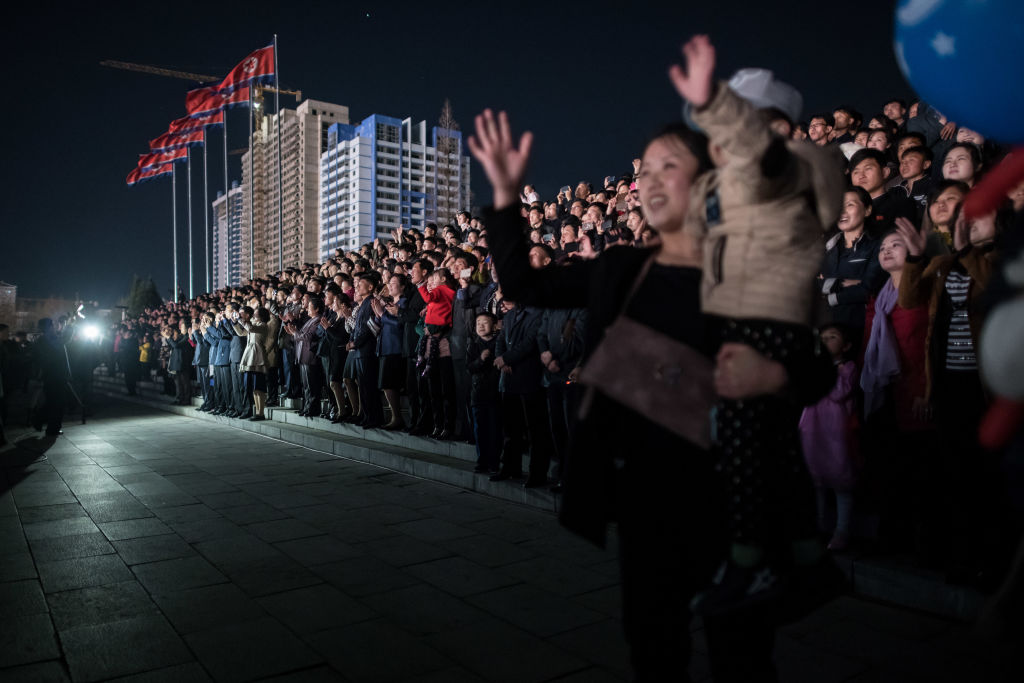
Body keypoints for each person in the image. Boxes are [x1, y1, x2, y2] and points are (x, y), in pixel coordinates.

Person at [468, 35, 834, 681]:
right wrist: (505, 197)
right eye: (643, 169)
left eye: (669, 166)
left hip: (729, 496)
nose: (648, 179)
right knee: (652, 643)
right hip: (644, 498)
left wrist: (773, 373)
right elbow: (524, 285)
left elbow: (813, 368)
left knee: (740, 653)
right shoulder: (620, 268)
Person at [895, 209, 1000, 583]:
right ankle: (960, 557)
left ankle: (990, 561)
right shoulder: (943, 263)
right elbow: (909, 298)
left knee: (987, 475)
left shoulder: (1000, 260)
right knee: (953, 471)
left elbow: (989, 283)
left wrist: (962, 250)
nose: (970, 226)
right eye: (966, 221)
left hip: (987, 387)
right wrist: (914, 257)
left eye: (979, 220)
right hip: (948, 383)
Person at [799, 324, 860, 552]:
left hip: (836, 435)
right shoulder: (813, 366)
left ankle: (842, 532)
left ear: (846, 346)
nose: (826, 341)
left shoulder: (848, 368)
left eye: (832, 337)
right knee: (816, 484)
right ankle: (817, 531)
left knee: (841, 483)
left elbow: (838, 393)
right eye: (822, 337)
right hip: (813, 433)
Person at [820, 187, 887, 334]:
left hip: (861, 330)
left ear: (867, 210)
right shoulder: (827, 248)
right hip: (827, 332)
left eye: (850, 205)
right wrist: (845, 283)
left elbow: (868, 290)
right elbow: (812, 286)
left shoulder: (878, 246)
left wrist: (828, 294)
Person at [467, 311, 502, 473]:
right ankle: (482, 461)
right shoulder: (473, 344)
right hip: (478, 392)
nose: (481, 326)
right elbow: (469, 368)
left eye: (485, 322)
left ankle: (495, 462)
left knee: (495, 428)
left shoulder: (499, 342)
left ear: (495, 325)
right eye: (478, 323)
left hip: (496, 392)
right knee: (479, 428)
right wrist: (480, 359)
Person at [233, 307, 270, 421]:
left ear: (261, 315)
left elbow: (250, 328)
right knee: (254, 387)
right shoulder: (253, 324)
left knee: (259, 386)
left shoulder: (263, 325)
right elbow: (241, 333)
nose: (254, 314)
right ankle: (257, 412)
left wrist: (240, 319)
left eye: (256, 313)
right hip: (250, 355)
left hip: (258, 356)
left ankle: (261, 412)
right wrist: (235, 322)